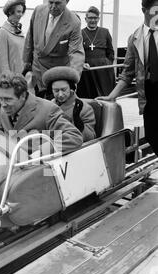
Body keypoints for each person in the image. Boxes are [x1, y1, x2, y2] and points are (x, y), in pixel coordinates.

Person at [97, 0, 158, 157]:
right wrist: (112, 96)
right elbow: (128, 71)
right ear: (144, 10)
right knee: (152, 134)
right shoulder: (135, 38)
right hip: (150, 94)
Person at [0, 72, 83, 155]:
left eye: (7, 99)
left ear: (22, 96)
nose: (3, 104)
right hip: (9, 166)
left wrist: (41, 152)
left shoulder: (48, 110)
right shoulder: (4, 109)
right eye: (0, 99)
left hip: (36, 171)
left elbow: (74, 136)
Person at [23, 0, 85, 98]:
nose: (53, 6)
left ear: (67, 1)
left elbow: (76, 53)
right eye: (50, 2)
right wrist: (26, 64)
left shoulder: (74, 22)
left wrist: (72, 80)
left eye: (57, 3)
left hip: (56, 74)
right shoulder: (38, 10)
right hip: (37, 69)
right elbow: (29, 37)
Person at [43, 66, 96, 142]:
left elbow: (90, 138)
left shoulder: (85, 108)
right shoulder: (49, 106)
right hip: (51, 146)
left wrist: (79, 123)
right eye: (56, 91)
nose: (60, 94)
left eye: (64, 90)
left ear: (71, 88)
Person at [76, 6, 115, 99]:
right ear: (86, 19)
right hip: (87, 71)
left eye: (95, 18)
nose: (93, 20)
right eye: (90, 18)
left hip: (103, 71)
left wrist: (107, 63)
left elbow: (110, 52)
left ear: (98, 18)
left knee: (105, 95)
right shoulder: (80, 33)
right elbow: (77, 52)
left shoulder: (105, 32)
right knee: (88, 96)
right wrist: (82, 64)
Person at [0, 0, 26, 75]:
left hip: (22, 77)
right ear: (10, 12)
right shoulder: (3, 32)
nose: (21, 15)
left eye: (22, 12)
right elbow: (3, 64)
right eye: (18, 12)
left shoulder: (19, 30)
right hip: (12, 80)